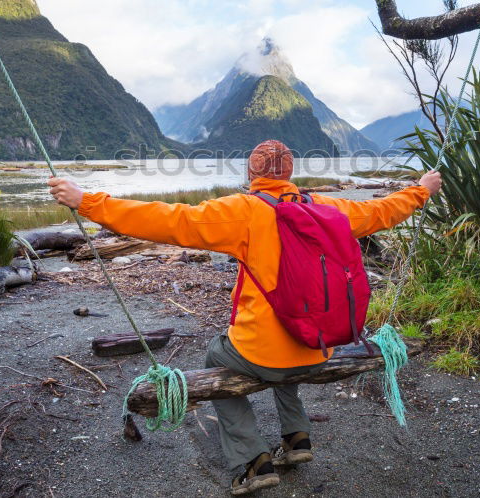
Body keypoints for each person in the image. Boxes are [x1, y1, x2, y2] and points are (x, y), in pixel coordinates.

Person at [48, 140, 442, 495]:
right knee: (290, 337)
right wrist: (421, 190)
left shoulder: (242, 211)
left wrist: (86, 201)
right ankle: (297, 438)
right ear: (289, 173)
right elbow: (383, 210)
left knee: (217, 356)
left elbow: (169, 220)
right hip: (318, 348)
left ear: (251, 174)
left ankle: (253, 462)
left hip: (264, 356)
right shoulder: (329, 207)